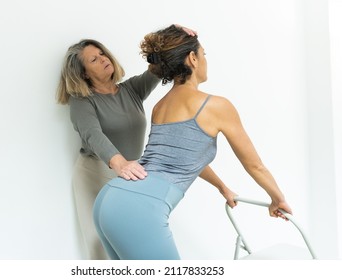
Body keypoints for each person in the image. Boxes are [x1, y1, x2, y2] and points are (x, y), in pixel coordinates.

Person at [93, 24, 293, 260]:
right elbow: (255, 166)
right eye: (203, 54)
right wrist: (277, 198)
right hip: (139, 208)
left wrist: (222, 187)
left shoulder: (161, 106)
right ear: (192, 58)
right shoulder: (217, 106)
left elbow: (185, 156)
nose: (205, 59)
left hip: (109, 200)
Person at [56, 26, 197, 260]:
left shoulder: (131, 89)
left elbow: (157, 67)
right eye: (94, 59)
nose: (103, 59)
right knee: (98, 245)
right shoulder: (82, 102)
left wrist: (174, 32)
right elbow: (93, 135)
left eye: (102, 54)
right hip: (96, 173)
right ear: (83, 74)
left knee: (131, 238)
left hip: (131, 173)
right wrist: (120, 163)